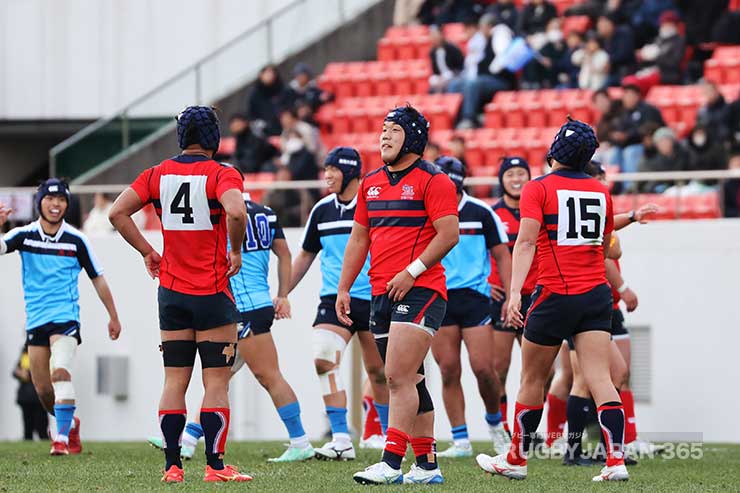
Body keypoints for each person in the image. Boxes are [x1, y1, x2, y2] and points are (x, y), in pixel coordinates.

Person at [476, 118, 629, 482]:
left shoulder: (537, 188)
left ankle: (515, 459)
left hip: (554, 295)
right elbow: (606, 246)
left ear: (556, 149)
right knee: (600, 378)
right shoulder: (600, 190)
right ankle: (616, 461)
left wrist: (514, 293)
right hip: (595, 296)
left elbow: (526, 242)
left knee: (531, 378)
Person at [109, 106, 251, 483]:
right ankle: (216, 467)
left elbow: (117, 212)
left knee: (174, 381)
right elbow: (236, 212)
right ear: (213, 138)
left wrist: (147, 251)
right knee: (216, 382)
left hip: (171, 293)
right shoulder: (221, 173)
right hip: (213, 292)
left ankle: (172, 467)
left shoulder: (156, 173)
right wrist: (235, 251)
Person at [340, 105, 459, 485]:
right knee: (413, 380)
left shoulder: (434, 180)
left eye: (394, 129)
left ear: (413, 137)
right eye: (383, 129)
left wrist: (412, 272)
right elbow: (359, 238)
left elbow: (449, 234)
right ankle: (426, 466)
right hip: (380, 293)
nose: (385, 136)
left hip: (422, 289)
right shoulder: (371, 183)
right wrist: (344, 288)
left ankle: (391, 463)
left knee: (397, 377)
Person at [147, 192, 314, 463]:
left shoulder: (224, 213)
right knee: (219, 379)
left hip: (239, 306)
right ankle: (189, 439)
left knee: (268, 376)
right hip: (255, 302)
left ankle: (300, 440)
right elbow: (285, 254)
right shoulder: (267, 212)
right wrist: (283, 294)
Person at [0, 178, 121, 456]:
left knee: (61, 371)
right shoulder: (24, 234)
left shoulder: (77, 239)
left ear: (67, 204)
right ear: (39, 202)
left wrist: (113, 316)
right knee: (42, 388)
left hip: (66, 318)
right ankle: (70, 423)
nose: (56, 205)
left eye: (62, 200)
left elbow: (98, 279)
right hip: (36, 320)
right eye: (50, 199)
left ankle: (61, 438)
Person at [289, 147, 389, 459]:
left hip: (374, 298)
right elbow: (306, 254)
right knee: (323, 359)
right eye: (325, 169)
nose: (327, 175)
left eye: (333, 169)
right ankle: (342, 438)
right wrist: (283, 292)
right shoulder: (321, 210)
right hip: (335, 300)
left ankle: (387, 435)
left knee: (380, 372)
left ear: (350, 172)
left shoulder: (376, 206)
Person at [431, 156, 512, 459]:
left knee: (484, 369)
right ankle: (460, 439)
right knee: (449, 369)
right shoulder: (428, 212)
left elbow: (502, 255)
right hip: (439, 296)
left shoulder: (481, 212)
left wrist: (510, 294)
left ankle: (495, 425)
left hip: (475, 298)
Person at [488, 157, 539, 436]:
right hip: (504, 299)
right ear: (501, 179)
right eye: (510, 173)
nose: (516, 178)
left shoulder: (539, 210)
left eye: (522, 173)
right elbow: (478, 252)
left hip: (536, 296)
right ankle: (504, 430)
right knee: (500, 369)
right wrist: (487, 283)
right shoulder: (492, 214)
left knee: (543, 370)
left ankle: (528, 430)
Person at [449, 13, 515, 129]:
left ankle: (469, 118)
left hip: (500, 80)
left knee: (472, 84)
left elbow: (501, 61)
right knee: (455, 84)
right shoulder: (484, 41)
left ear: (489, 26)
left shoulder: (499, 37)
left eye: (482, 27)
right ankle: (454, 119)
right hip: (485, 79)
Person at [13, 344, 49, 441]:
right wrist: (20, 373)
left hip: (39, 397)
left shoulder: (43, 352)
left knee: (41, 426)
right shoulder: (25, 354)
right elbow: (15, 371)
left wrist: (27, 374)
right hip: (25, 397)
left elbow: (43, 371)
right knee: (27, 427)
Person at [637, 126, 690, 192]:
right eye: (661, 141)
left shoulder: (684, 156)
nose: (664, 144)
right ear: (656, 144)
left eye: (666, 140)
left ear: (672, 142)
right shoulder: (649, 159)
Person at [247, 65, 291, 136]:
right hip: (265, 129)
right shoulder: (255, 94)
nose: (269, 76)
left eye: (271, 73)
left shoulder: (283, 89)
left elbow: (289, 105)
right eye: (267, 73)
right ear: (261, 75)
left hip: (285, 125)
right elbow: (251, 114)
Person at [596, 13, 636, 86]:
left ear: (610, 24)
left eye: (602, 25)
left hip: (625, 70)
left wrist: (609, 61)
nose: (600, 28)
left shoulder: (623, 33)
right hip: (612, 72)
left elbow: (624, 54)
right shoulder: (604, 39)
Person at [428, 25, 465, 94]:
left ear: (441, 35)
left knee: (451, 86)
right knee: (432, 86)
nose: (434, 38)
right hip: (441, 78)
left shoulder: (453, 49)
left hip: (455, 76)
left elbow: (461, 67)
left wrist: (448, 75)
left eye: (436, 35)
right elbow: (435, 71)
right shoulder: (432, 52)